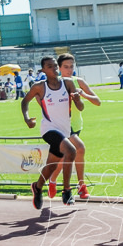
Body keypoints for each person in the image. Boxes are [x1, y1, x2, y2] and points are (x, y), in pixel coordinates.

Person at [20, 56, 91, 209]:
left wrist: (78, 99)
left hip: (64, 130)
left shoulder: (68, 83)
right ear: (44, 70)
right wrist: (27, 119)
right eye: (50, 66)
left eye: (55, 66)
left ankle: (37, 187)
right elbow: (25, 101)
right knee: (71, 151)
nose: (55, 68)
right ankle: (66, 190)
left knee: (51, 166)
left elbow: (81, 107)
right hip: (48, 128)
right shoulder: (39, 86)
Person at [45, 54, 101, 201]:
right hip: (60, 126)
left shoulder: (78, 81)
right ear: (58, 68)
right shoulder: (54, 84)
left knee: (64, 159)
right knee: (79, 148)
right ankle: (81, 186)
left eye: (71, 66)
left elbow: (98, 102)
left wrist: (83, 94)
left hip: (75, 125)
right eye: (65, 67)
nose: (69, 70)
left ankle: (52, 180)